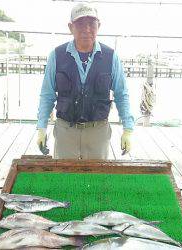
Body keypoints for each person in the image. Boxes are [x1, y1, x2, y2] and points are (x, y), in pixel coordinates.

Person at [37, 2, 134, 159]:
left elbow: (121, 94)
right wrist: (41, 128)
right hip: (65, 131)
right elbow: (47, 94)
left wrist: (128, 130)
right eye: (80, 24)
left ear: (99, 26)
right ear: (70, 27)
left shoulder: (111, 57)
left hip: (98, 131)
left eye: (91, 24)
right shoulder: (56, 55)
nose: (86, 29)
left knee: (97, 179)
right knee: (65, 178)